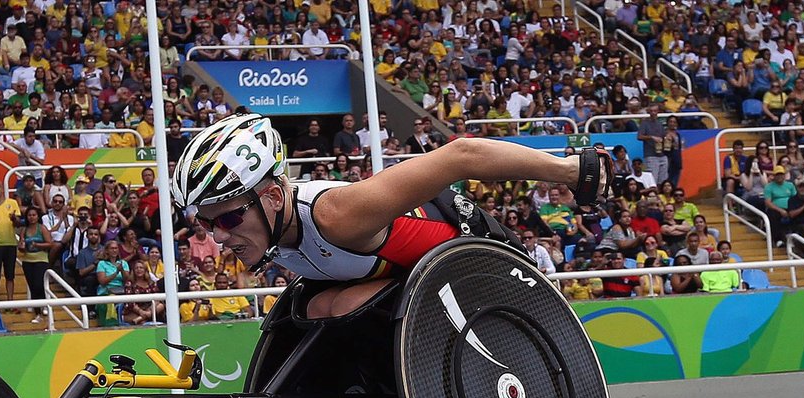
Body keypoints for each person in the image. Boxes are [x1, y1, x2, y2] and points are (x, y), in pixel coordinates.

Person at [171, 114, 610, 319]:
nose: (217, 237)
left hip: (476, 254)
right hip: (412, 277)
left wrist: (572, 171)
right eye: (206, 224)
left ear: (271, 196)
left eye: (226, 220)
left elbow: (461, 154)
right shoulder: (272, 233)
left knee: (340, 306)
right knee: (316, 308)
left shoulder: (336, 215)